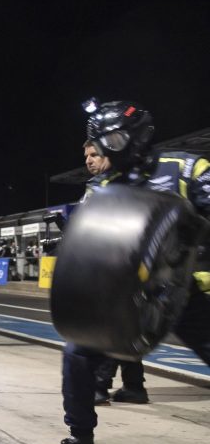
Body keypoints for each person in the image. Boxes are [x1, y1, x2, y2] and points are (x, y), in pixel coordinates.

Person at [35, 100, 210, 444]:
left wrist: (191, 231)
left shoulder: (187, 167)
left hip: (193, 291)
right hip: (135, 298)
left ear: (139, 135)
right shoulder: (103, 187)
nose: (107, 149)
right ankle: (79, 441)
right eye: (102, 141)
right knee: (78, 354)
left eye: (113, 139)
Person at [80, 141, 148, 406]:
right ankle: (134, 387)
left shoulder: (118, 185)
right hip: (119, 266)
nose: (88, 160)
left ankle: (99, 385)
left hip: (117, 267)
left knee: (109, 327)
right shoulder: (98, 186)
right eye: (86, 156)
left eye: (94, 155)